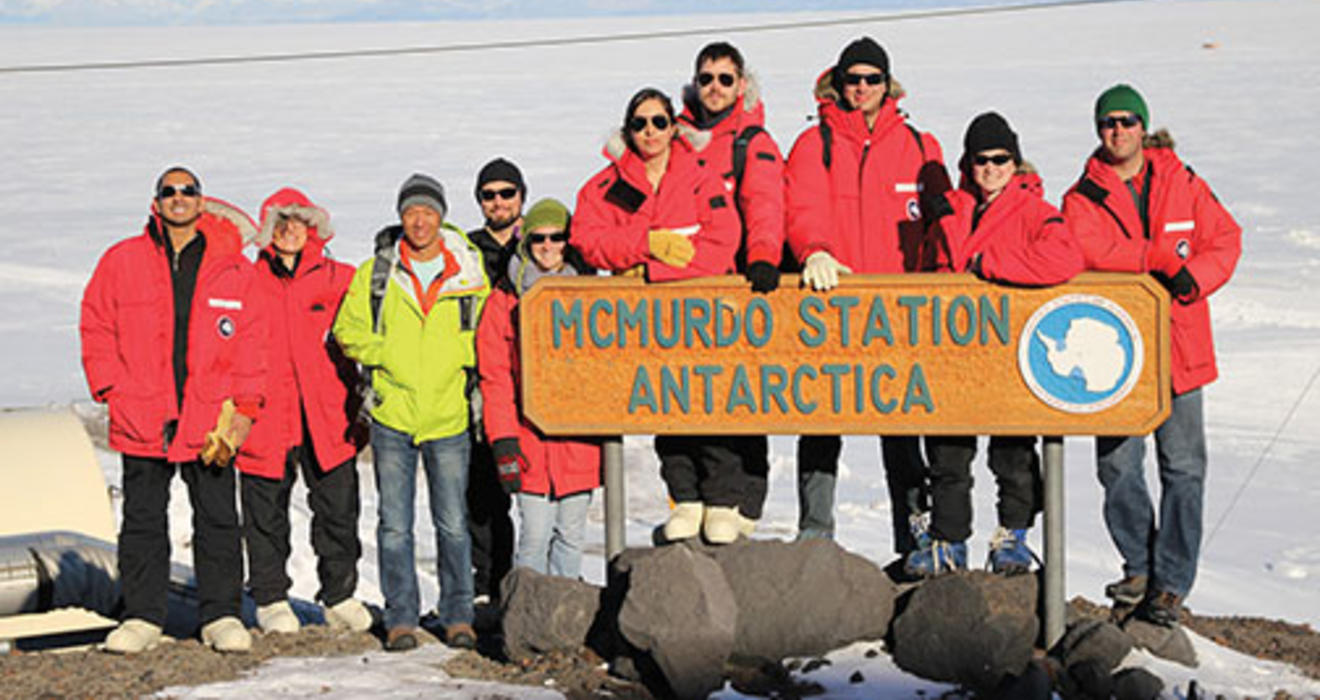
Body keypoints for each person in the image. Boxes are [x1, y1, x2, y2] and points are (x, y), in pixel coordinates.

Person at [1063, 84, 1241, 626]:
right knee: (1118, 467)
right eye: (1107, 123)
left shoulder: (1182, 181)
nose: (1117, 131)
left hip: (1180, 344)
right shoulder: (1082, 196)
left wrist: (1193, 280)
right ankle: (1138, 566)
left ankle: (1171, 582)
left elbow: (1226, 239)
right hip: (1112, 356)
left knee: (1183, 467)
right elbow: (1090, 250)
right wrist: (1157, 258)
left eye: (1126, 121)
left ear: (1143, 126)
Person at [80, 166, 263, 654]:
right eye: (169, 191)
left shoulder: (234, 268)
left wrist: (245, 407)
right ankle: (141, 617)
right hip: (143, 413)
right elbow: (96, 322)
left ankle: (221, 615)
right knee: (142, 519)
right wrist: (110, 386)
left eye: (188, 191)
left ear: (203, 202)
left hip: (209, 419)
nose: (178, 198)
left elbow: (251, 343)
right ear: (156, 202)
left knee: (219, 518)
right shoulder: (122, 260)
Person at [783, 37, 951, 557]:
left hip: (897, 314)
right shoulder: (815, 144)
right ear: (838, 82)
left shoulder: (921, 146)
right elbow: (802, 207)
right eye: (852, 79)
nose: (861, 89)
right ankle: (816, 534)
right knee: (820, 420)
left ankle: (916, 538)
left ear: (887, 84)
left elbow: (944, 225)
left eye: (871, 79)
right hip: (829, 303)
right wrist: (814, 250)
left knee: (902, 430)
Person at [911, 111, 1084, 576]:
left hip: (1008, 348)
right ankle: (949, 540)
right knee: (948, 452)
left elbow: (1064, 257)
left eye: (1000, 159)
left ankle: (1014, 535)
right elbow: (930, 268)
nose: (990, 168)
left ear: (1015, 161)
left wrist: (992, 263)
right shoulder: (950, 208)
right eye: (980, 159)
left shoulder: (1034, 209)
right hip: (953, 345)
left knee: (1012, 452)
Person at [573, 87, 743, 543]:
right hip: (647, 320)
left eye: (659, 122)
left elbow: (723, 240)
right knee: (665, 403)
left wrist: (651, 270)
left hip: (705, 315)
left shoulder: (701, 177)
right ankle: (684, 498)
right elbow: (588, 239)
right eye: (640, 123)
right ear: (627, 130)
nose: (650, 131)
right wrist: (644, 246)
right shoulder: (606, 185)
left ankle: (723, 501)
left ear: (674, 127)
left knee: (713, 400)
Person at [333, 173, 489, 651]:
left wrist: (463, 355)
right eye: (411, 212)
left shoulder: (468, 270)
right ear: (401, 216)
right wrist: (386, 354)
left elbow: (488, 331)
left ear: (441, 216)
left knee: (453, 523)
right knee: (395, 525)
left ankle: (458, 615)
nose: (419, 221)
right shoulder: (376, 272)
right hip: (392, 413)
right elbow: (347, 329)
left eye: (428, 211)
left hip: (448, 413)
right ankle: (401, 618)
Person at [235, 188, 371, 634]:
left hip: (328, 413)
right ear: (266, 227)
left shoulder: (339, 277)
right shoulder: (245, 280)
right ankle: (271, 598)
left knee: (337, 508)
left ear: (313, 227)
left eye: (299, 220)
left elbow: (380, 305)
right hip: (265, 414)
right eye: (281, 220)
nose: (290, 229)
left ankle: (340, 595)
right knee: (265, 512)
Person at [674, 40, 786, 535]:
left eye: (724, 78)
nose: (715, 87)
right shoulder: (674, 138)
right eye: (706, 78)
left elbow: (764, 203)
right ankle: (689, 494)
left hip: (734, 281)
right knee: (678, 388)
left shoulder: (752, 140)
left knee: (736, 389)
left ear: (741, 84)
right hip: (683, 280)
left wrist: (763, 258)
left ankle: (736, 499)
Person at [478, 197, 601, 578]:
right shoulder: (504, 300)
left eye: (557, 237)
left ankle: (562, 618)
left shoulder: (593, 294)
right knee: (533, 535)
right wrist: (504, 440)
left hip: (578, 438)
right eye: (538, 238)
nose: (548, 245)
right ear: (526, 243)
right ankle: (525, 619)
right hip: (528, 437)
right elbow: (495, 377)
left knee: (571, 534)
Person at [465, 158, 525, 608]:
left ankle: (538, 583)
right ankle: (491, 585)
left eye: (507, 193)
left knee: (542, 491)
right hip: (482, 379)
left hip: (536, 377)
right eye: (489, 195)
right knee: (484, 492)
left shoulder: (545, 241)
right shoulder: (467, 251)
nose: (498, 201)